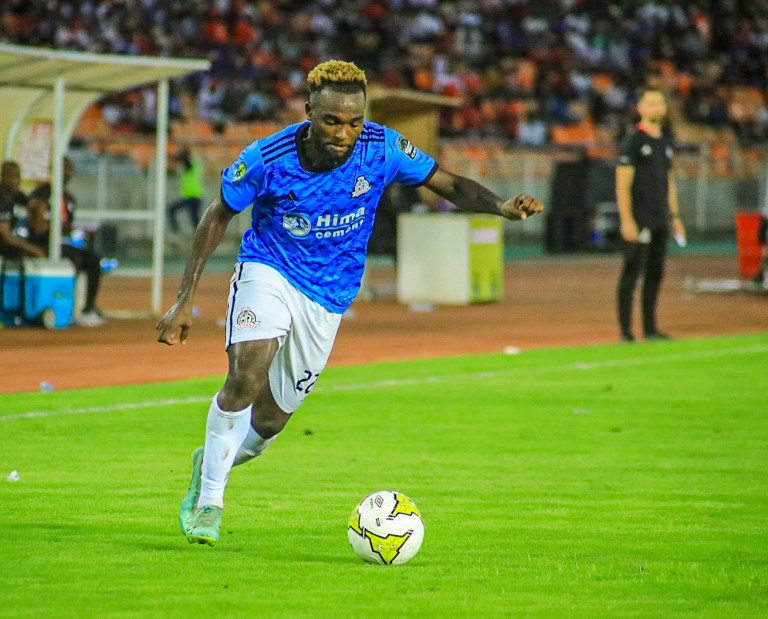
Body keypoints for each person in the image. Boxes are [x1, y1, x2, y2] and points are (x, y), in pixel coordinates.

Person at [156, 60, 544, 546]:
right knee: (248, 370)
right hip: (269, 268)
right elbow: (217, 215)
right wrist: (184, 300)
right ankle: (210, 503)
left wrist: (500, 206)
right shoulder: (267, 157)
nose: (344, 133)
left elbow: (446, 182)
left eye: (354, 122)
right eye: (332, 121)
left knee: (269, 422)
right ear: (309, 112)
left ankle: (211, 463)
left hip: (330, 294)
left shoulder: (382, 148)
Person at [615, 89, 686, 343]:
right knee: (631, 274)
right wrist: (627, 220)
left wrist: (675, 217)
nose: (656, 107)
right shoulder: (633, 142)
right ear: (641, 108)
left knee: (655, 274)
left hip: (660, 219)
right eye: (651, 103)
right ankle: (626, 331)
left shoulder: (664, 141)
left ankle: (651, 329)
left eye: (660, 103)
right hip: (639, 219)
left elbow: (669, 181)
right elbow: (622, 185)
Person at [27, 157, 106, 327]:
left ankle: (88, 308)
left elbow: (66, 225)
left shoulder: (68, 198)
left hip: (62, 244)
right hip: (43, 243)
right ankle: (67, 309)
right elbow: (35, 222)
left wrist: (74, 230)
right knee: (72, 260)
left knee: (93, 259)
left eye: (69, 169)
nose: (68, 173)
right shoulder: (42, 193)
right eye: (64, 169)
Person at [0, 161, 46, 259]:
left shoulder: (17, 195)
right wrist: (33, 249)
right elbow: (6, 236)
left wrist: (40, 210)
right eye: (10, 176)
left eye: (17, 176)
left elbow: (33, 204)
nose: (15, 180)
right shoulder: (2, 198)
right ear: (3, 177)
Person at [168, 148, 204, 234]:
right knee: (194, 220)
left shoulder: (193, 165)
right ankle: (177, 231)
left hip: (194, 196)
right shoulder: (184, 169)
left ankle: (176, 232)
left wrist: (184, 156)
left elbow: (189, 162)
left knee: (194, 219)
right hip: (189, 197)